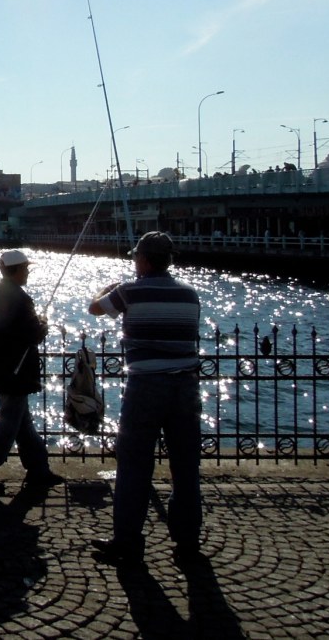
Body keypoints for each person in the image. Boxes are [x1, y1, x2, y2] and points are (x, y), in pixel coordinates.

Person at [87, 231, 203, 564]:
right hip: (185, 387)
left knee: (135, 465)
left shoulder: (130, 292)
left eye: (135, 256)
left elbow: (95, 308)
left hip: (146, 386)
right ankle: (187, 542)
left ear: (146, 260)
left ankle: (127, 542)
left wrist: (106, 290)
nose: (133, 261)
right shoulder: (190, 295)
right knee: (185, 467)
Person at [0, 250, 63, 495]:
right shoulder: (21, 299)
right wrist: (43, 324)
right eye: (26, 269)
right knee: (9, 424)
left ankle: (38, 468)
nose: (28, 273)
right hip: (16, 372)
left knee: (22, 423)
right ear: (16, 270)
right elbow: (34, 334)